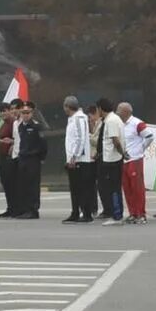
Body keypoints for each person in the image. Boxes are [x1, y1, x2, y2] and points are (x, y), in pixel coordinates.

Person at [62, 95, 93, 224]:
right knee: (74, 188)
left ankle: (86, 213)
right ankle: (75, 212)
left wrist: (74, 156)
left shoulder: (79, 118)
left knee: (82, 188)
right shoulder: (72, 119)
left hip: (80, 159)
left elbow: (80, 138)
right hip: (72, 159)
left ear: (67, 107)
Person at [118, 103, 149, 225]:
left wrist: (140, 149)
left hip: (135, 159)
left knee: (137, 188)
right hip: (124, 159)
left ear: (126, 111)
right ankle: (133, 213)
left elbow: (149, 136)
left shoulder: (137, 123)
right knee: (127, 188)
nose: (117, 113)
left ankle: (141, 214)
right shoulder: (120, 125)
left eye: (119, 110)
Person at [12, 102, 45, 218]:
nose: (25, 115)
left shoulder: (36, 126)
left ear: (31, 113)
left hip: (33, 158)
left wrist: (42, 157)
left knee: (33, 185)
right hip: (23, 158)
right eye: (23, 113)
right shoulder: (20, 126)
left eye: (27, 113)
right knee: (23, 184)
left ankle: (33, 209)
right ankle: (25, 209)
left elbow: (43, 144)